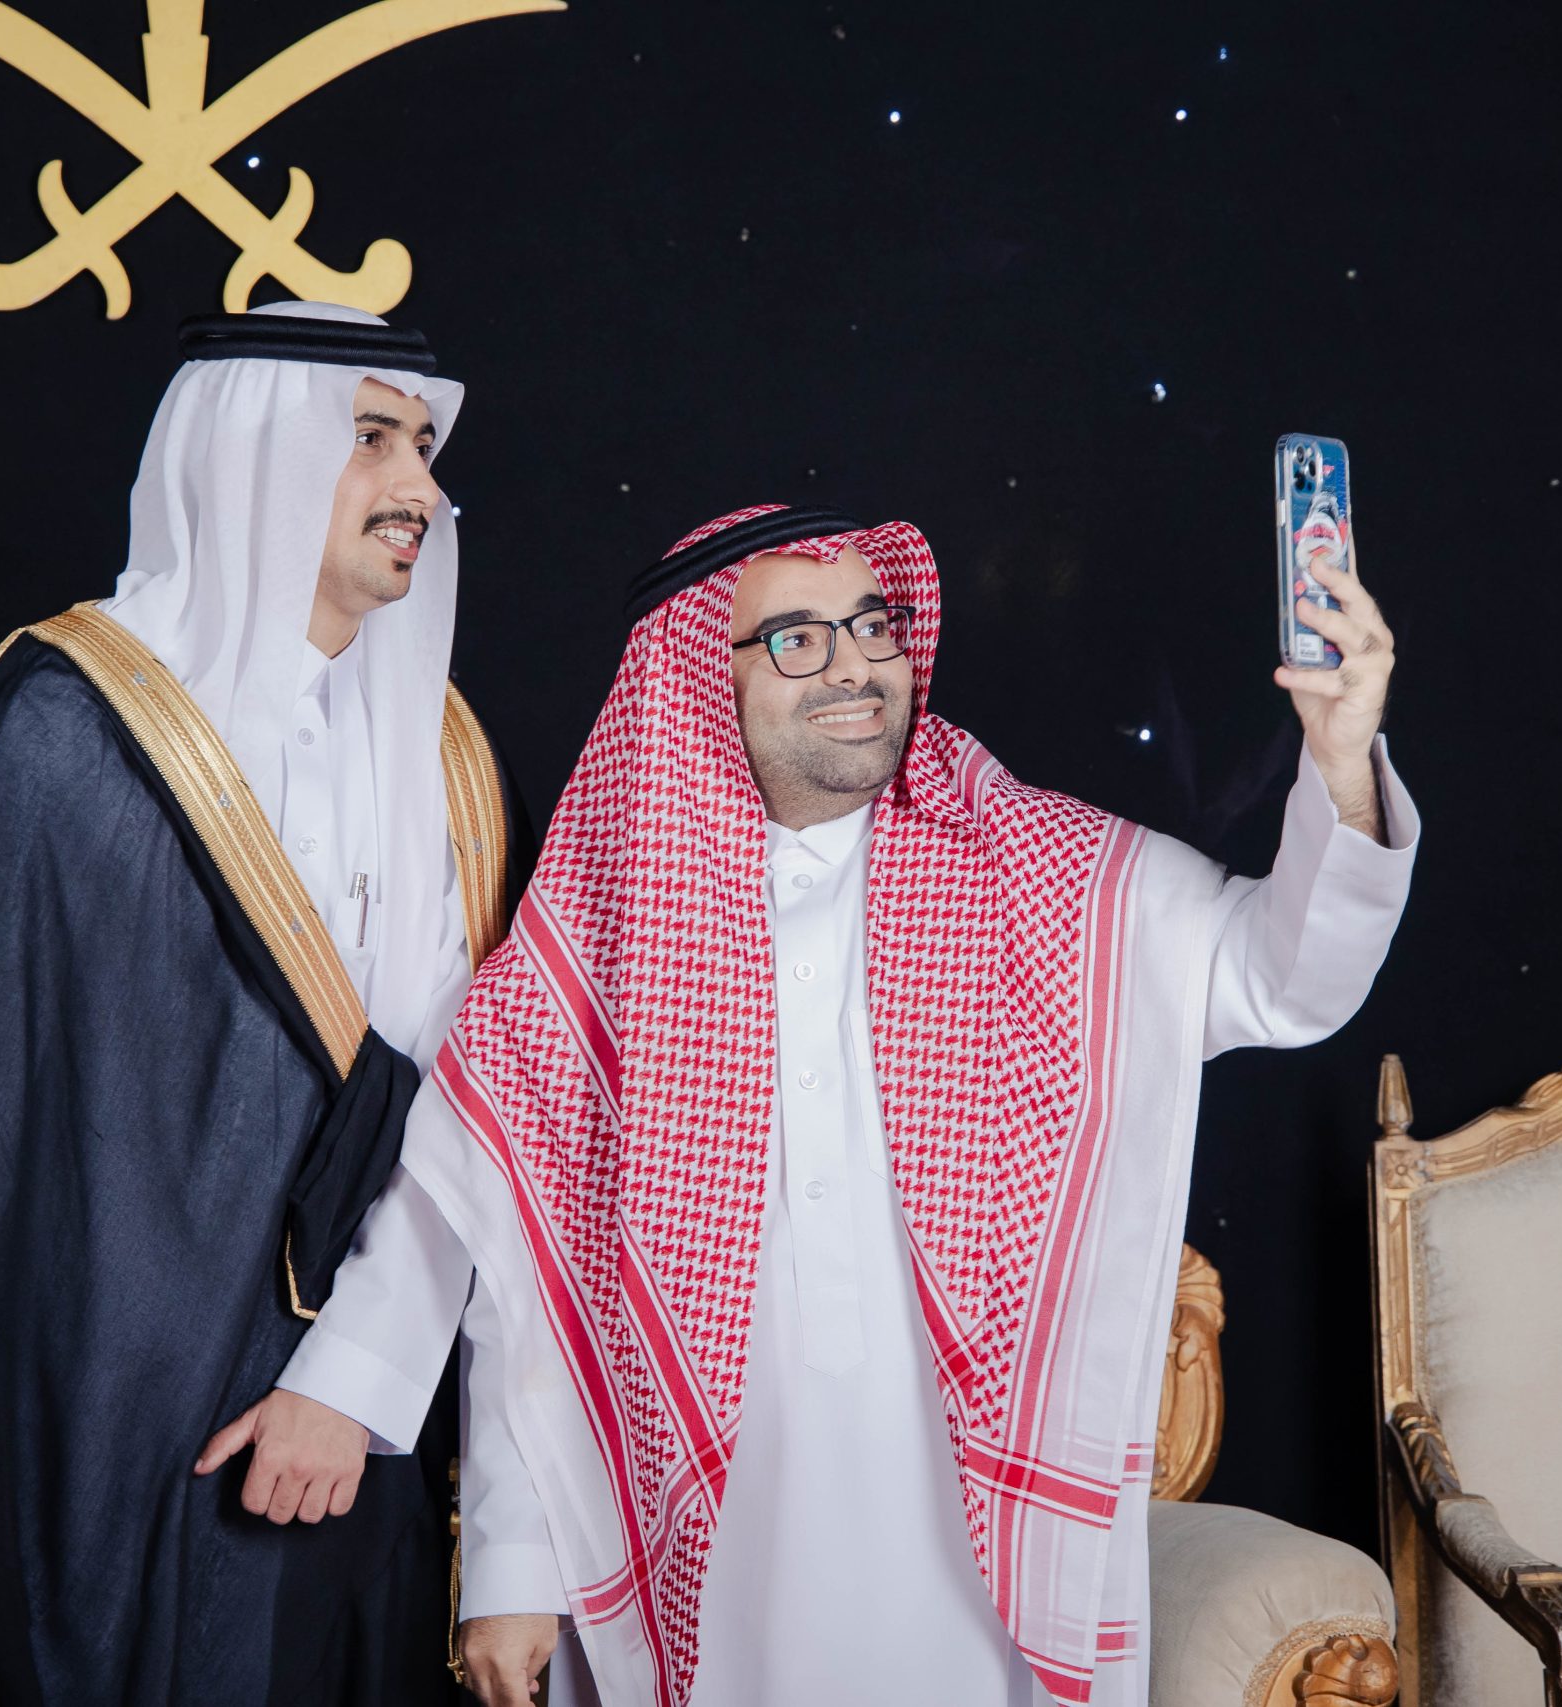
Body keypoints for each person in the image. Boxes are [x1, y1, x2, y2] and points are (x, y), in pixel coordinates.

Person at [310, 501, 1419, 1705]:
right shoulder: (598, 948)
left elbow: (1284, 981)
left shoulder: (1042, 876)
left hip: (969, 1555)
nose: (853, 664)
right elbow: (523, 1277)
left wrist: (1341, 764)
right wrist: (512, 1565)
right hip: (704, 1558)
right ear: (695, 686)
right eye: (797, 638)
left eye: (872, 625)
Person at [0, 301, 519, 1706]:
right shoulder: (67, 716)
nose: (419, 488)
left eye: (424, 448)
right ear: (253, 454)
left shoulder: (439, 754)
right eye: (371, 438)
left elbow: (468, 1117)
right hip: (65, 1405)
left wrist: (352, 1380)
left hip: (330, 1423)